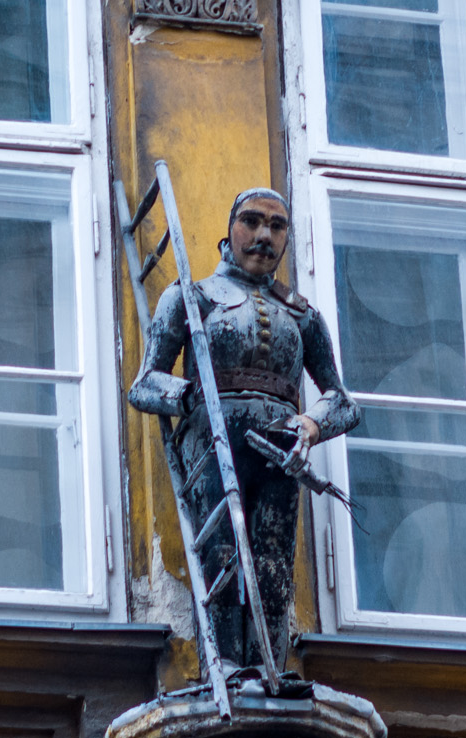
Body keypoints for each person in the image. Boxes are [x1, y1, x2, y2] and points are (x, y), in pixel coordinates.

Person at [128, 188, 360, 676]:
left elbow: (342, 400)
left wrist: (310, 425)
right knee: (221, 549)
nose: (263, 236)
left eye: (277, 227)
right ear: (228, 231)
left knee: (274, 560)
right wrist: (192, 397)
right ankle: (226, 664)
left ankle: (269, 667)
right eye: (252, 222)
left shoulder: (302, 315)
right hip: (214, 439)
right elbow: (144, 384)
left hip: (281, 444)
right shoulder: (193, 297)